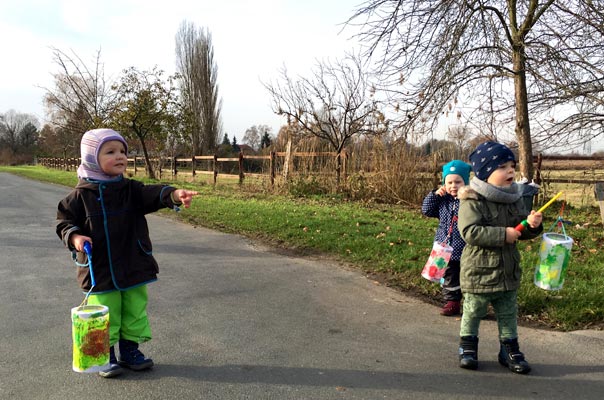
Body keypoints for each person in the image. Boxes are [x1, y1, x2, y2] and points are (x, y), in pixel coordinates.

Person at [56, 128, 198, 378]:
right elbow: (64, 223)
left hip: (133, 261)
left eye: (123, 151)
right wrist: (75, 237)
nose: (120, 156)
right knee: (106, 310)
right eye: (110, 152)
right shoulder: (79, 197)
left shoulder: (131, 190)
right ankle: (106, 353)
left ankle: (131, 351)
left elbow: (153, 194)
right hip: (99, 267)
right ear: (91, 158)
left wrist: (174, 195)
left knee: (135, 308)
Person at [456, 141, 543, 374]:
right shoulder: (472, 200)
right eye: (503, 167)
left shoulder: (514, 198)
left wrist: (532, 225)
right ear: (486, 173)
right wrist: (503, 234)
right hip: (479, 272)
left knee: (508, 314)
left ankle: (510, 349)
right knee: (473, 311)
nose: (511, 171)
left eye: (512, 166)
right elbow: (469, 232)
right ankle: (468, 346)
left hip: (507, 271)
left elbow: (519, 229)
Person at [422, 160, 471, 316]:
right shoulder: (442, 200)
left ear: (466, 182)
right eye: (449, 182)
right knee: (449, 277)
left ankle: (472, 305)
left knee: (467, 277)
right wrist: (434, 195)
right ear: (444, 183)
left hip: (464, 247)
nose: (453, 186)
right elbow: (427, 210)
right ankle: (452, 302)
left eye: (458, 182)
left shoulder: (469, 200)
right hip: (444, 248)